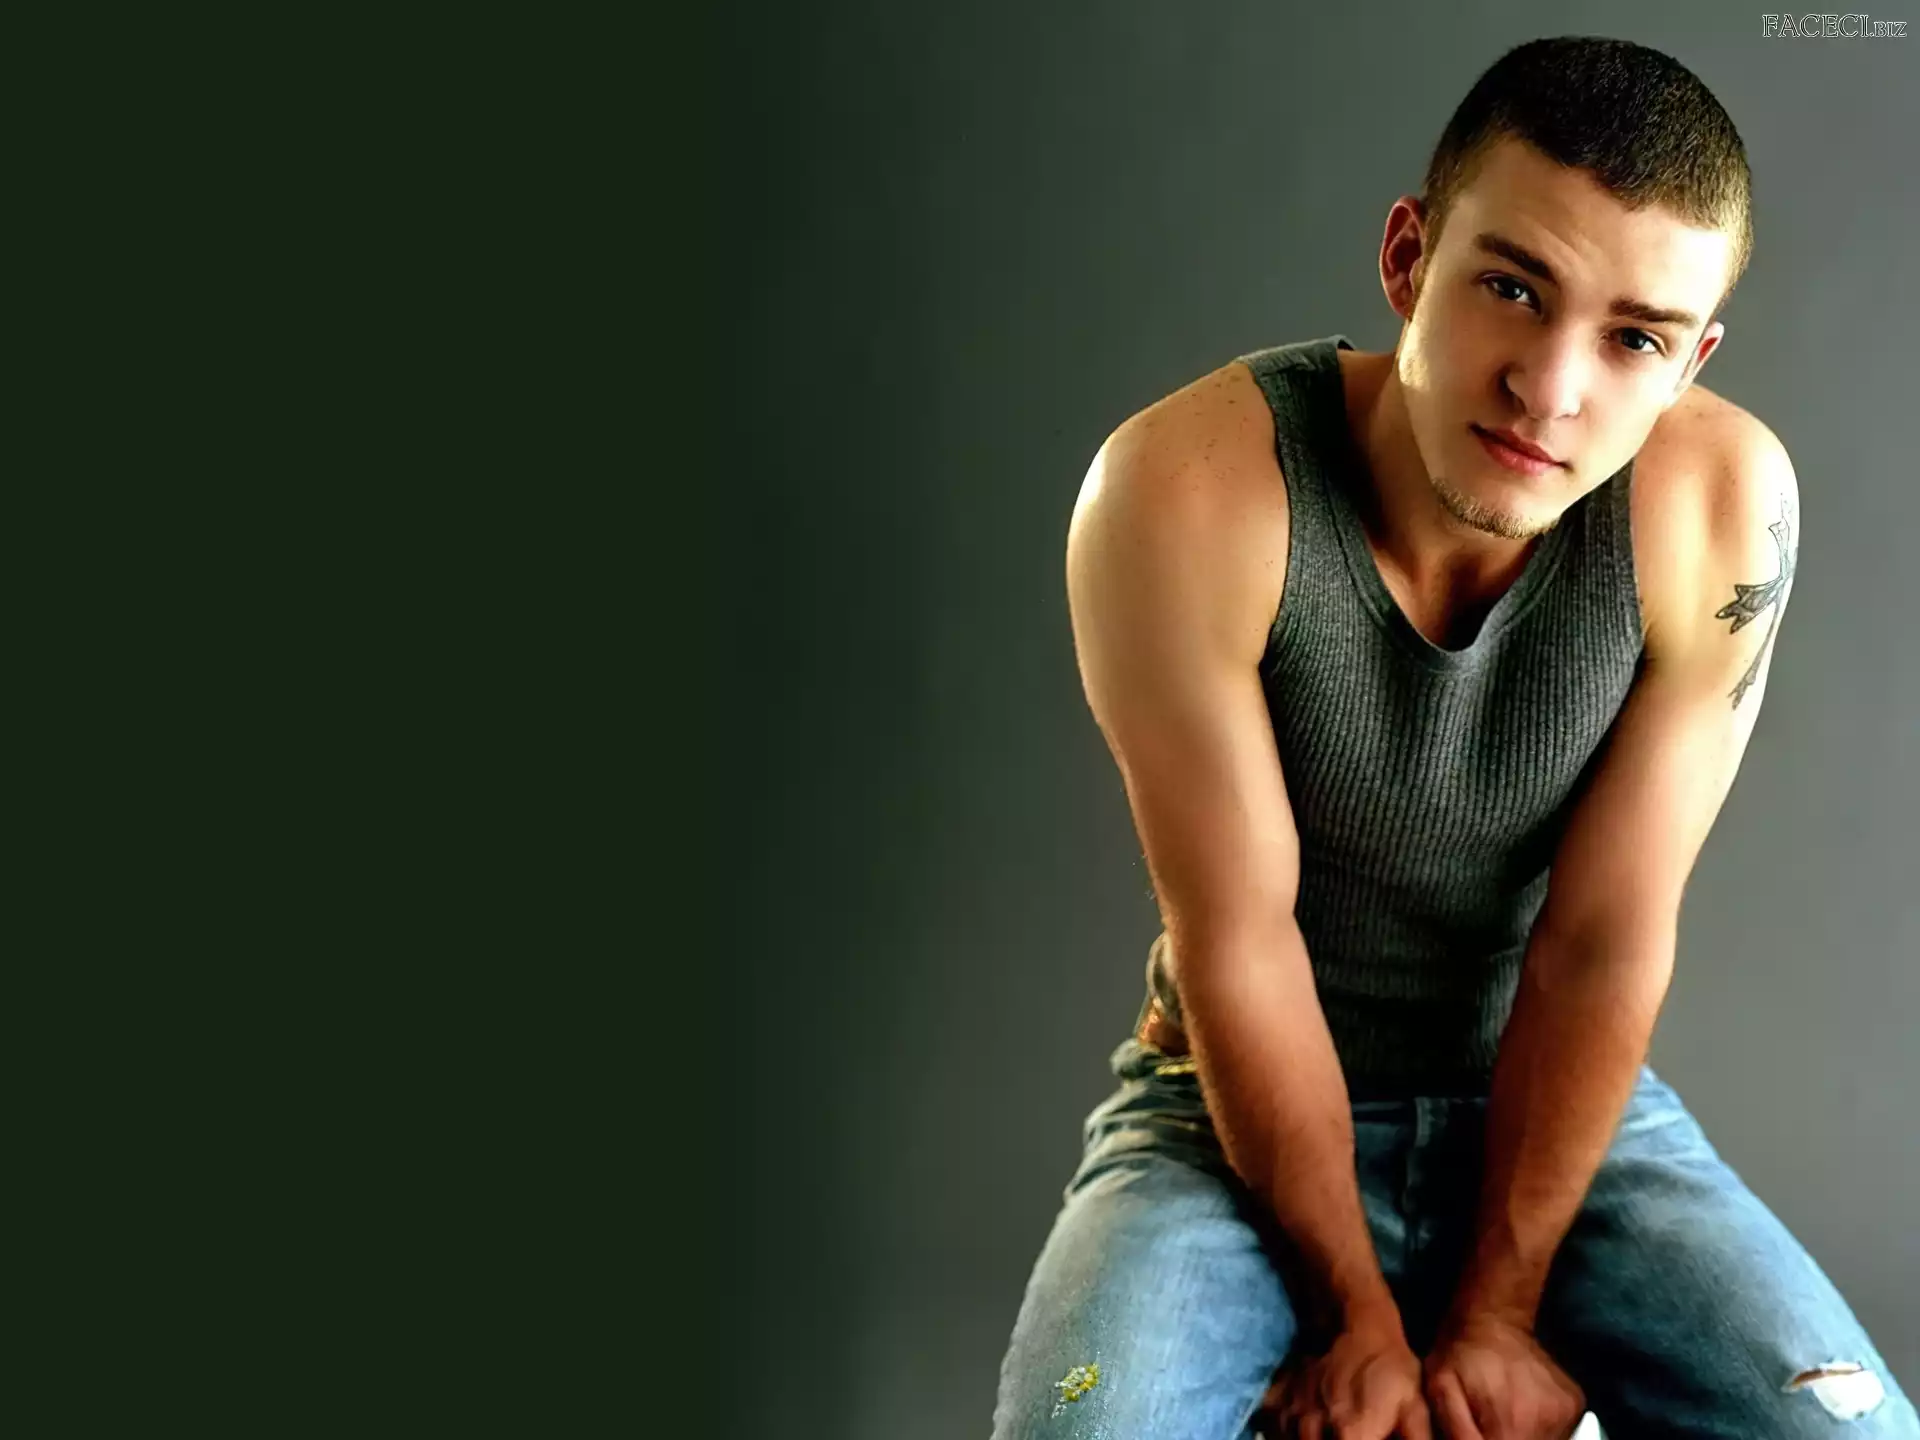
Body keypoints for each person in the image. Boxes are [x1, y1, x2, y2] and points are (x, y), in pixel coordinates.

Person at [990, 35, 1916, 1440]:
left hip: (1546, 1121)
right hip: (1217, 1115)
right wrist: (1355, 1320)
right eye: (1513, 288)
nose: (1550, 389)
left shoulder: (1721, 508)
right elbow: (1240, 942)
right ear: (1409, 257)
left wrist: (1500, 1311)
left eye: (1634, 339)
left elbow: (1602, 941)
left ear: (1692, 361)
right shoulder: (1188, 491)